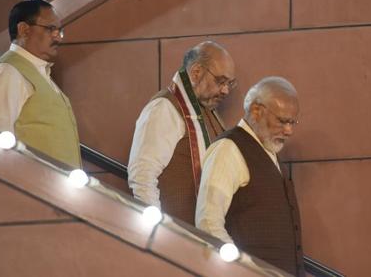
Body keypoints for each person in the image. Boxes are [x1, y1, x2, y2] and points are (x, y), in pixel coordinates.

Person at [195, 77, 304, 276]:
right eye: (282, 121)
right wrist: (243, 271)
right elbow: (208, 223)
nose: (289, 130)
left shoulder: (269, 151)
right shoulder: (228, 149)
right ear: (256, 111)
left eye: (292, 122)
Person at [128, 41, 236, 224]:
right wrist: (157, 231)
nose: (225, 90)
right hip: (175, 239)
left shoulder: (208, 113)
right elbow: (142, 175)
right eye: (220, 81)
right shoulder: (164, 107)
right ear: (195, 73)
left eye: (230, 84)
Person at [0, 0, 81, 168]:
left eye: (60, 31)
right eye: (51, 29)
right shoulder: (7, 70)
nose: (58, 38)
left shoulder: (40, 72)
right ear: (24, 29)